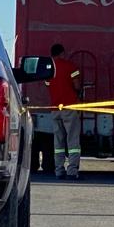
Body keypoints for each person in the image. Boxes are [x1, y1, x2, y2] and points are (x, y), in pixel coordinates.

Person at [46, 43, 83, 180]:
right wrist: (77, 94)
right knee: (72, 140)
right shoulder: (70, 66)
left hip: (55, 108)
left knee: (58, 142)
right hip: (69, 107)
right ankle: (72, 171)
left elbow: (48, 86)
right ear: (62, 53)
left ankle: (59, 171)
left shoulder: (48, 69)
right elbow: (77, 84)